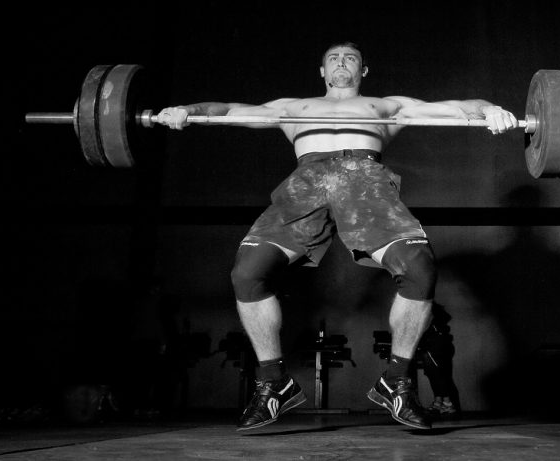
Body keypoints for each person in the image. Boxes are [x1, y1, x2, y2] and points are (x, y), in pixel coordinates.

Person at [157, 42, 518, 430]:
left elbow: (457, 107)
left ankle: (396, 381)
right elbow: (228, 111)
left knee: (419, 267)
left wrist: (490, 110)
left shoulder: (385, 106)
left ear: (363, 70)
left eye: (350, 58)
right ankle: (273, 382)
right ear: (322, 71)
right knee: (247, 273)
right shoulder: (294, 108)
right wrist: (187, 110)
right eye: (333, 58)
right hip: (306, 183)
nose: (341, 62)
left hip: (364, 180)